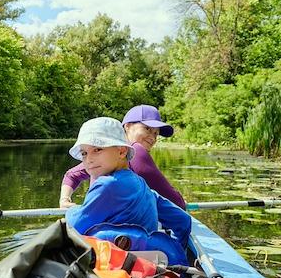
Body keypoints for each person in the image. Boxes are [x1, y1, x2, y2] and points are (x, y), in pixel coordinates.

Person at [64, 117, 191, 249]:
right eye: (84, 153)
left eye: (97, 149)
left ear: (122, 151)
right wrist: (178, 248)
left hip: (111, 265)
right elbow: (183, 220)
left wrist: (71, 209)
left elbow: (74, 226)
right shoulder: (144, 186)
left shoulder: (106, 185)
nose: (88, 159)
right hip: (153, 261)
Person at [60, 105, 186, 210]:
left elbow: (71, 175)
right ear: (127, 126)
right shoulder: (137, 150)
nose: (152, 138)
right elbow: (174, 201)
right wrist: (180, 200)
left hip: (95, 222)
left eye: (156, 133)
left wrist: (64, 200)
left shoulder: (106, 154)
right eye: (147, 129)